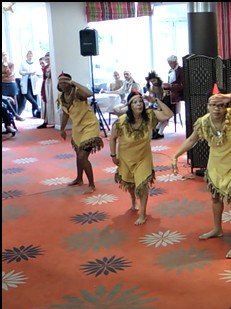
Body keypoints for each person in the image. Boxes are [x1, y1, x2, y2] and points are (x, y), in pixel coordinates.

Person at [171, 91, 231, 258]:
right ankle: (217, 228)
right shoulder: (203, 123)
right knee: (215, 198)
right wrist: (175, 155)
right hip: (216, 167)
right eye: (213, 105)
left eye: (220, 105)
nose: (217, 109)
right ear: (207, 106)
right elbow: (191, 140)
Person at [109, 89, 174, 225]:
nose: (139, 105)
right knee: (131, 184)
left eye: (141, 102)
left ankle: (142, 213)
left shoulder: (149, 115)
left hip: (143, 157)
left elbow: (169, 114)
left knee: (142, 185)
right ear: (130, 106)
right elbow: (112, 138)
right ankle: (133, 200)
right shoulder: (121, 121)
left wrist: (155, 100)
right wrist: (113, 155)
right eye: (135, 102)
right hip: (126, 157)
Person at [57, 72, 104, 194]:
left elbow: (89, 93)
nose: (63, 85)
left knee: (83, 157)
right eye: (60, 83)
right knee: (78, 155)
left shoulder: (77, 93)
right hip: (77, 128)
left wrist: (73, 83)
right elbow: (66, 114)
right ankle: (79, 179)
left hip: (90, 125)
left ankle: (92, 184)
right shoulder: (61, 97)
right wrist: (62, 129)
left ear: (70, 84)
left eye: (65, 82)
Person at [153, 55, 184, 139]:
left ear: (175, 62)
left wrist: (170, 86)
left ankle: (159, 130)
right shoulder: (170, 71)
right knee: (162, 106)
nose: (170, 65)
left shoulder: (181, 71)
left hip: (176, 95)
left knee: (166, 109)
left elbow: (182, 86)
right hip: (169, 94)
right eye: (169, 63)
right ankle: (158, 128)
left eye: (171, 63)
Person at [18, 50, 41, 118]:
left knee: (34, 95)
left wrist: (35, 73)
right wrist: (26, 73)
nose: (30, 57)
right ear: (26, 56)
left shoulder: (35, 63)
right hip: (26, 81)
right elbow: (20, 71)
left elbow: (39, 72)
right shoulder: (23, 63)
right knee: (27, 94)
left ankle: (35, 112)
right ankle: (37, 106)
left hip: (33, 81)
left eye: (31, 56)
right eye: (29, 56)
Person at [2, 51, 23, 119]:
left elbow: (10, 73)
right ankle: (9, 116)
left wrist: (6, 65)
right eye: (3, 55)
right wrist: (6, 75)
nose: (4, 56)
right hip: (3, 83)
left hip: (11, 83)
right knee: (6, 100)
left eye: (5, 55)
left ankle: (16, 115)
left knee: (14, 99)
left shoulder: (11, 64)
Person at [37, 52, 55, 129]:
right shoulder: (46, 66)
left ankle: (54, 121)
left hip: (51, 84)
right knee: (45, 102)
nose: (47, 60)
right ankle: (46, 121)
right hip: (46, 84)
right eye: (46, 59)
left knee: (51, 101)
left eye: (48, 58)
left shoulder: (53, 66)